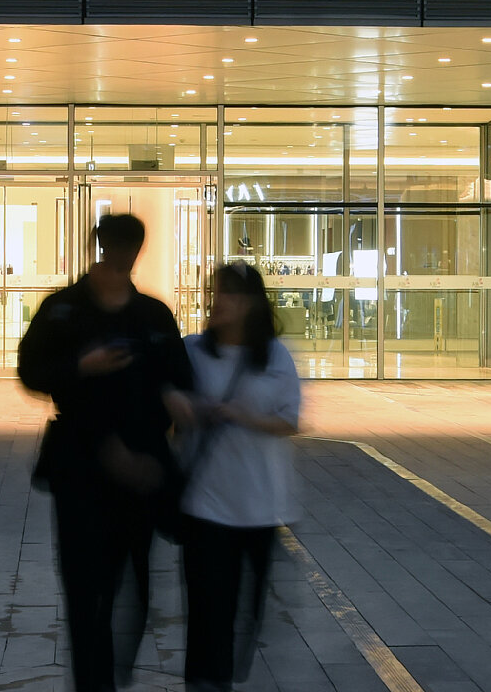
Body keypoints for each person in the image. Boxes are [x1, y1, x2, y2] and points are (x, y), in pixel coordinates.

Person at [18, 211, 192, 691]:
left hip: (140, 467)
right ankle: (94, 683)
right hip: (80, 465)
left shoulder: (151, 315)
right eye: (116, 248)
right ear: (103, 248)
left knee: (133, 582)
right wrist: (81, 366)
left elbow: (179, 377)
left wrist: (173, 401)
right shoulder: (64, 309)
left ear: (136, 252)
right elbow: (31, 371)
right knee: (85, 587)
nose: (122, 257)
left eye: (129, 249)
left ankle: (111, 672)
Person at [171, 262, 304, 692]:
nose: (217, 301)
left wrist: (244, 416)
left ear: (250, 304)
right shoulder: (192, 350)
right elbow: (162, 395)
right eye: (215, 291)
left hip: (260, 507)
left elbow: (290, 420)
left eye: (227, 293)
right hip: (204, 503)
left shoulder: (275, 356)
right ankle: (206, 682)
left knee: (247, 612)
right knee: (207, 611)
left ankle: (221, 676)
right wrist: (177, 404)